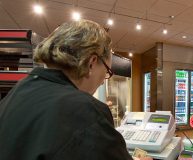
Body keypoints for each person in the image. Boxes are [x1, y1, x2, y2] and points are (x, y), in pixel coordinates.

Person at [0, 20, 133, 160]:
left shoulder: (18, 91)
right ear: (92, 63)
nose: (101, 83)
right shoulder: (87, 110)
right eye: (107, 71)